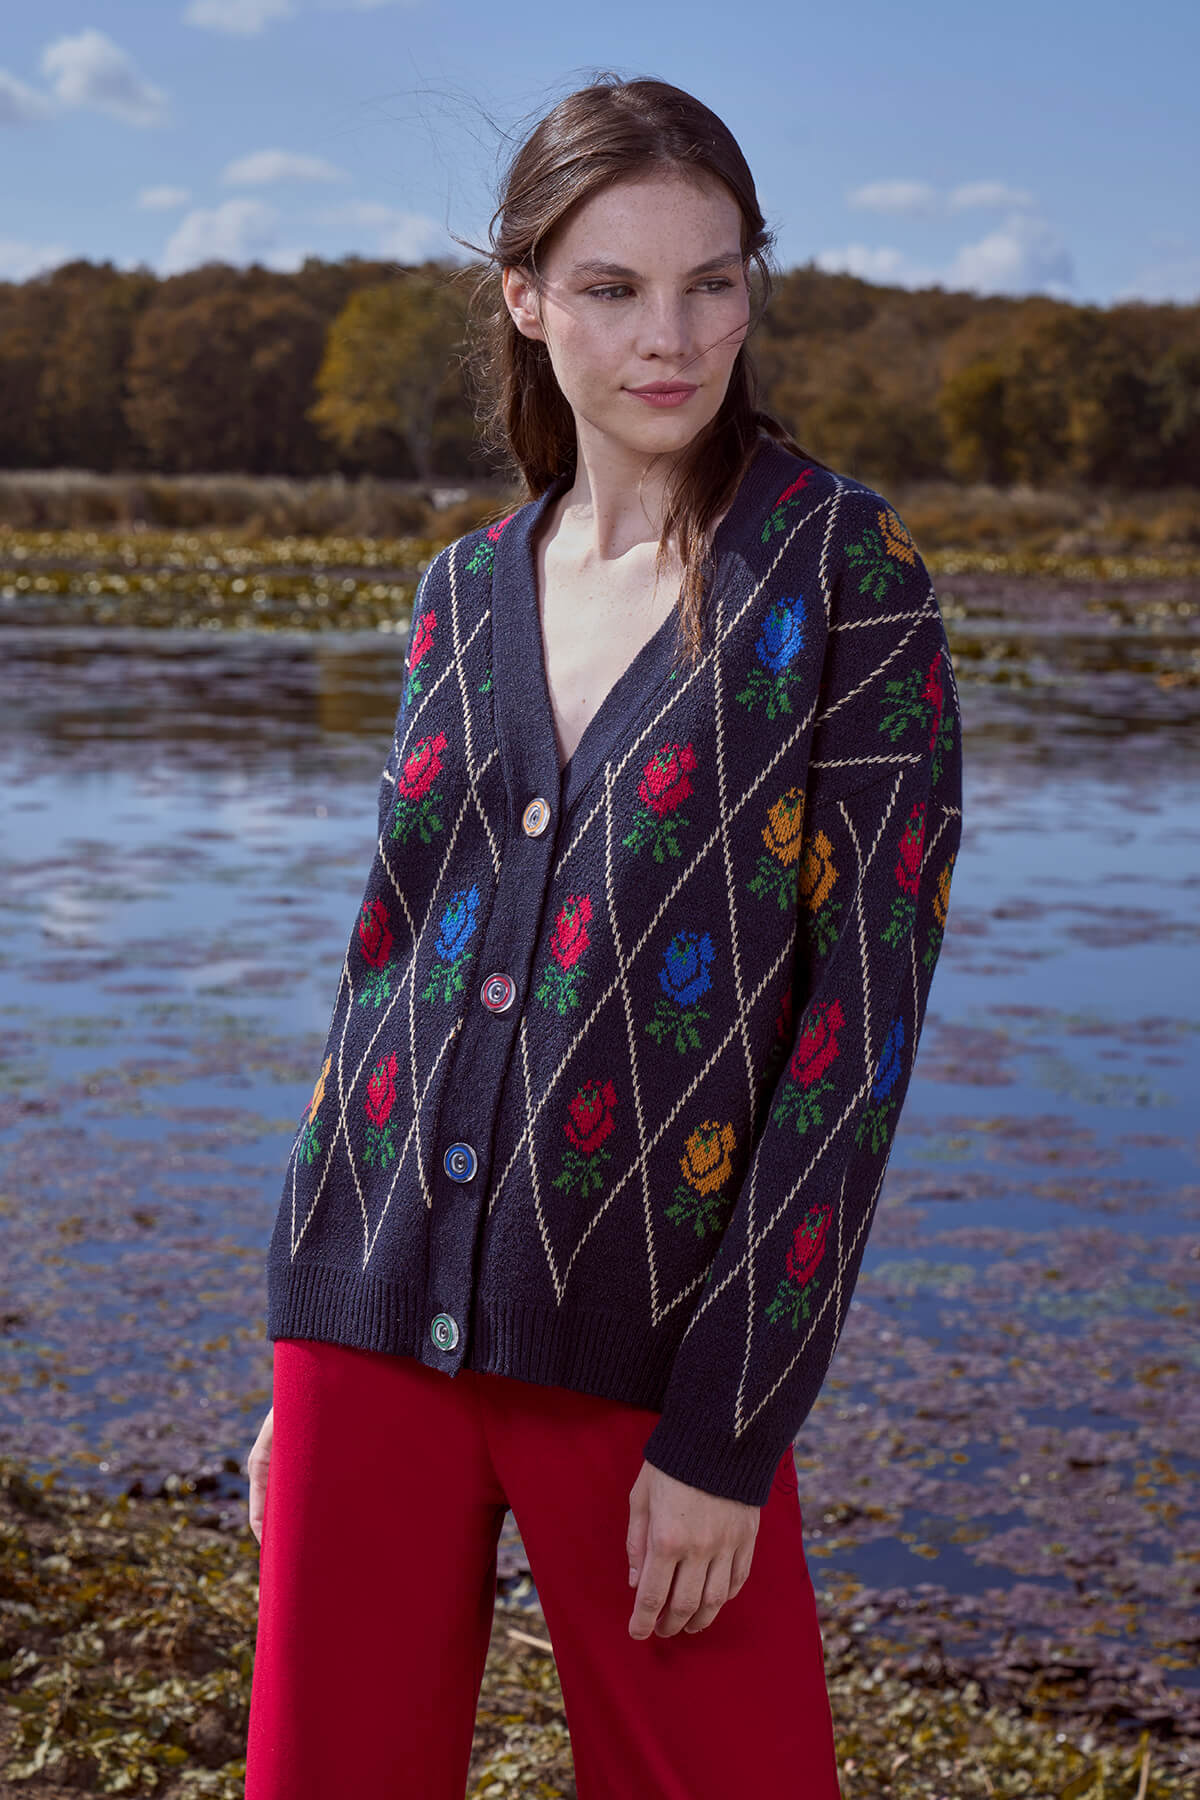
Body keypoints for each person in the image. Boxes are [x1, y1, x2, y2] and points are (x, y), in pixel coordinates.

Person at [243, 73, 963, 1800]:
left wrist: (731, 1428)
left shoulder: (845, 573)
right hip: (365, 1320)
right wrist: (305, 1344)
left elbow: (854, 1041)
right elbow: (390, 972)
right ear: (524, 299)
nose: (673, 338)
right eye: (614, 288)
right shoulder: (460, 591)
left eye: (713, 282)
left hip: (651, 1357)